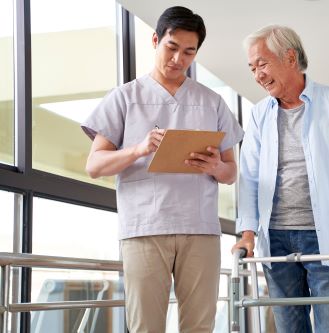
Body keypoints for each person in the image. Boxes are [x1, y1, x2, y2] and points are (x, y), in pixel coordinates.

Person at [82, 6, 244, 333]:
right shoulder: (124, 98)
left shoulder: (212, 102)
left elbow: (231, 173)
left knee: (199, 326)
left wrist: (216, 166)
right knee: (146, 327)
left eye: (189, 52)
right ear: (155, 40)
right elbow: (94, 165)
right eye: (171, 47)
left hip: (199, 228)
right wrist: (139, 149)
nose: (178, 59)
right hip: (144, 227)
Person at [232, 25, 329, 333]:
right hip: (274, 238)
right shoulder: (259, 113)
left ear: (290, 57)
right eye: (252, 68)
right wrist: (248, 234)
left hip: (325, 236)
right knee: (290, 328)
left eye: (262, 64)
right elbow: (249, 176)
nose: (257, 75)